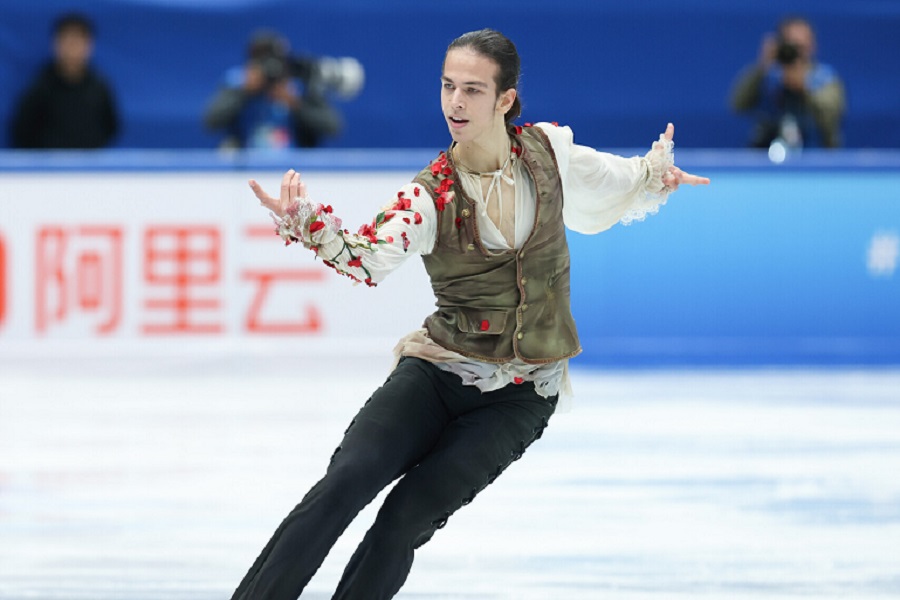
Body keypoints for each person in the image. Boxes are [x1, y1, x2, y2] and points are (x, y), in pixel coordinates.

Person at [231, 28, 709, 600]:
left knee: (404, 519)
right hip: (437, 373)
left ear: (506, 99)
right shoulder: (429, 196)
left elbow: (614, 180)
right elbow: (367, 259)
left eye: (473, 90)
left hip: (520, 395)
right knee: (346, 481)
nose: (455, 102)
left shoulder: (548, 154)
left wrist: (654, 174)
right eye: (447, 86)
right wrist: (309, 225)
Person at [203, 30, 347, 149]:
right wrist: (245, 92)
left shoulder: (299, 83)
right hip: (247, 164)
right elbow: (211, 121)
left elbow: (332, 126)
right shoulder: (238, 82)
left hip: (295, 165)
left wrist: (296, 104)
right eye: (262, 61)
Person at [730, 15, 846, 149]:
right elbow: (738, 105)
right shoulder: (768, 77)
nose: (797, 53)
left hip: (815, 154)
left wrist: (803, 87)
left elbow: (832, 116)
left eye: (801, 47)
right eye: (791, 46)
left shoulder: (825, 78)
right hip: (768, 151)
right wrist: (762, 67)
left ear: (813, 46)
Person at [9, 12, 119, 149]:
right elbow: (22, 130)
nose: (72, 48)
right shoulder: (40, 87)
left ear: (89, 45)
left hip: (90, 160)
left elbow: (111, 126)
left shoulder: (100, 87)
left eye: (78, 40)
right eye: (67, 40)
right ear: (56, 44)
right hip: (47, 161)